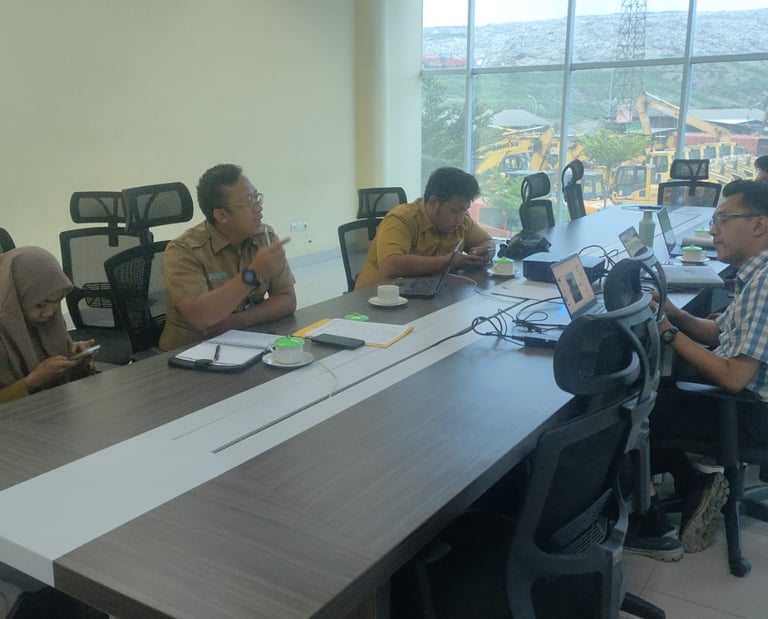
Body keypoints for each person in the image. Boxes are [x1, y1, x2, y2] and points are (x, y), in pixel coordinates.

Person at [627, 179, 768, 560]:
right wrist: (674, 313)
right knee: (657, 388)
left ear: (759, 224)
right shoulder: (756, 273)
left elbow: (733, 378)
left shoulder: (765, 284)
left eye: (723, 220)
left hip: (753, 415)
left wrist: (667, 332)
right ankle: (695, 485)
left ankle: (650, 524)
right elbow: (719, 332)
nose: (713, 230)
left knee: (633, 405)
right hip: (750, 403)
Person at [159, 164, 296, 351]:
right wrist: (253, 274)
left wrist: (236, 322)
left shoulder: (264, 237)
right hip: (191, 353)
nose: (259, 207)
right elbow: (202, 318)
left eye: (257, 197)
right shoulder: (183, 251)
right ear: (222, 215)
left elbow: (287, 300)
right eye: (249, 201)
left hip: (247, 342)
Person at [354, 167, 496, 289]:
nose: (460, 219)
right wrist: (447, 262)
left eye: (464, 211)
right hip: (376, 298)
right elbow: (390, 265)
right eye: (455, 211)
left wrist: (484, 252)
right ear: (434, 203)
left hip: (425, 294)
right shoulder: (402, 218)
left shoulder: (461, 221)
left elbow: (487, 241)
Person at [0, 247, 97, 404]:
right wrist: (31, 382)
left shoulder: (47, 321)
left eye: (56, 301)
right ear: (14, 300)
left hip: (55, 409)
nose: (49, 312)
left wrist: (77, 362)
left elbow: (66, 387)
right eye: (40, 305)